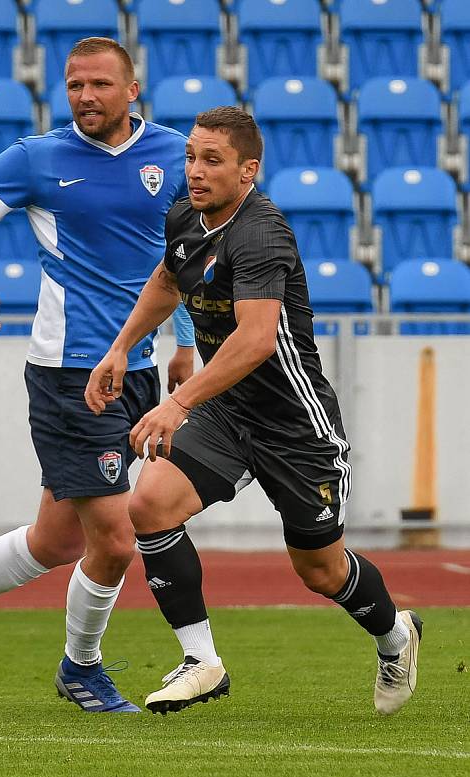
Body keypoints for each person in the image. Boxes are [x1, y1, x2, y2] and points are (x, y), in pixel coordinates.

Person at [0, 37, 195, 713]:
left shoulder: (172, 155)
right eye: (74, 84)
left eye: (100, 85)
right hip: (68, 373)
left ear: (131, 90)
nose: (85, 96)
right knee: (114, 541)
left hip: (135, 369)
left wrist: (184, 344)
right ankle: (80, 668)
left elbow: (180, 259)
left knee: (57, 540)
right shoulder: (36, 158)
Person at [85, 106, 422, 716]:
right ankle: (201, 661)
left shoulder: (262, 231)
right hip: (226, 412)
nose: (195, 170)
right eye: (190, 156)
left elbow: (256, 339)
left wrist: (177, 401)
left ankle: (396, 635)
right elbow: (168, 278)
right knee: (149, 504)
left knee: (319, 571)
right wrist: (121, 347)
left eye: (212, 160)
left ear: (248, 171)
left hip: (296, 424)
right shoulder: (186, 216)